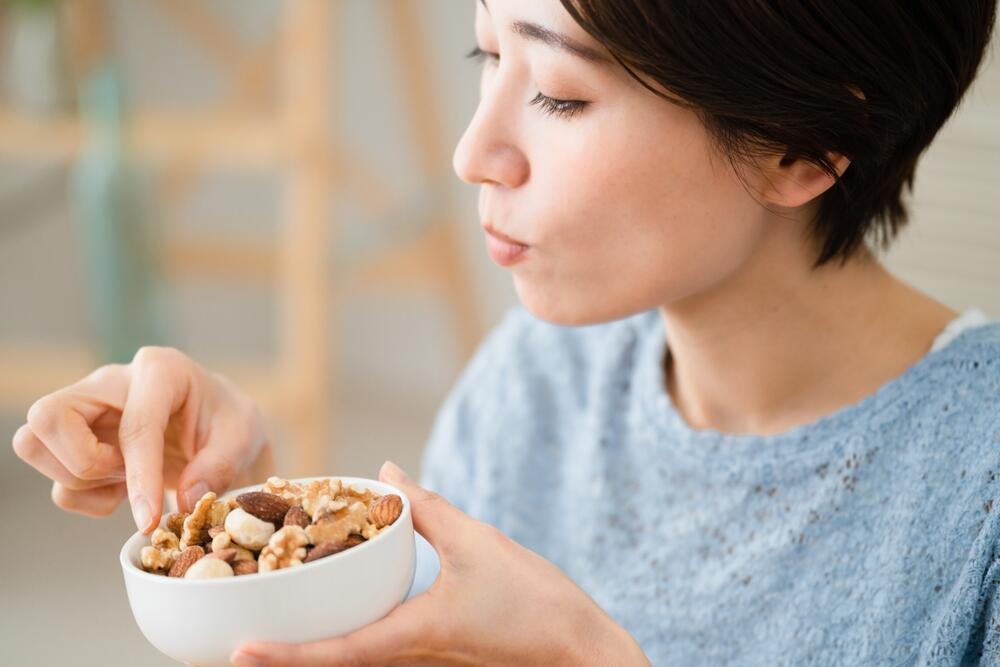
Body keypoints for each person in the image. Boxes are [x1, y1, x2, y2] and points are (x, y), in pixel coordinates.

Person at [11, 0, 1000, 664]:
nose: (470, 151)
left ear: (801, 143)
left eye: (560, 96)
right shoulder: (534, 383)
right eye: (487, 55)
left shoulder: (976, 499)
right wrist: (258, 528)